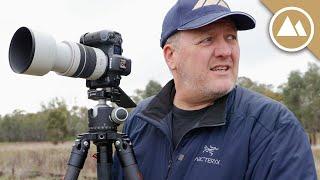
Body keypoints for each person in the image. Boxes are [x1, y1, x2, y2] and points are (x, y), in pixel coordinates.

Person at [113, 0, 317, 179]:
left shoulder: (274, 126)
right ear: (171, 56)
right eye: (207, 39)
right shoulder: (140, 119)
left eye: (231, 37)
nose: (225, 51)